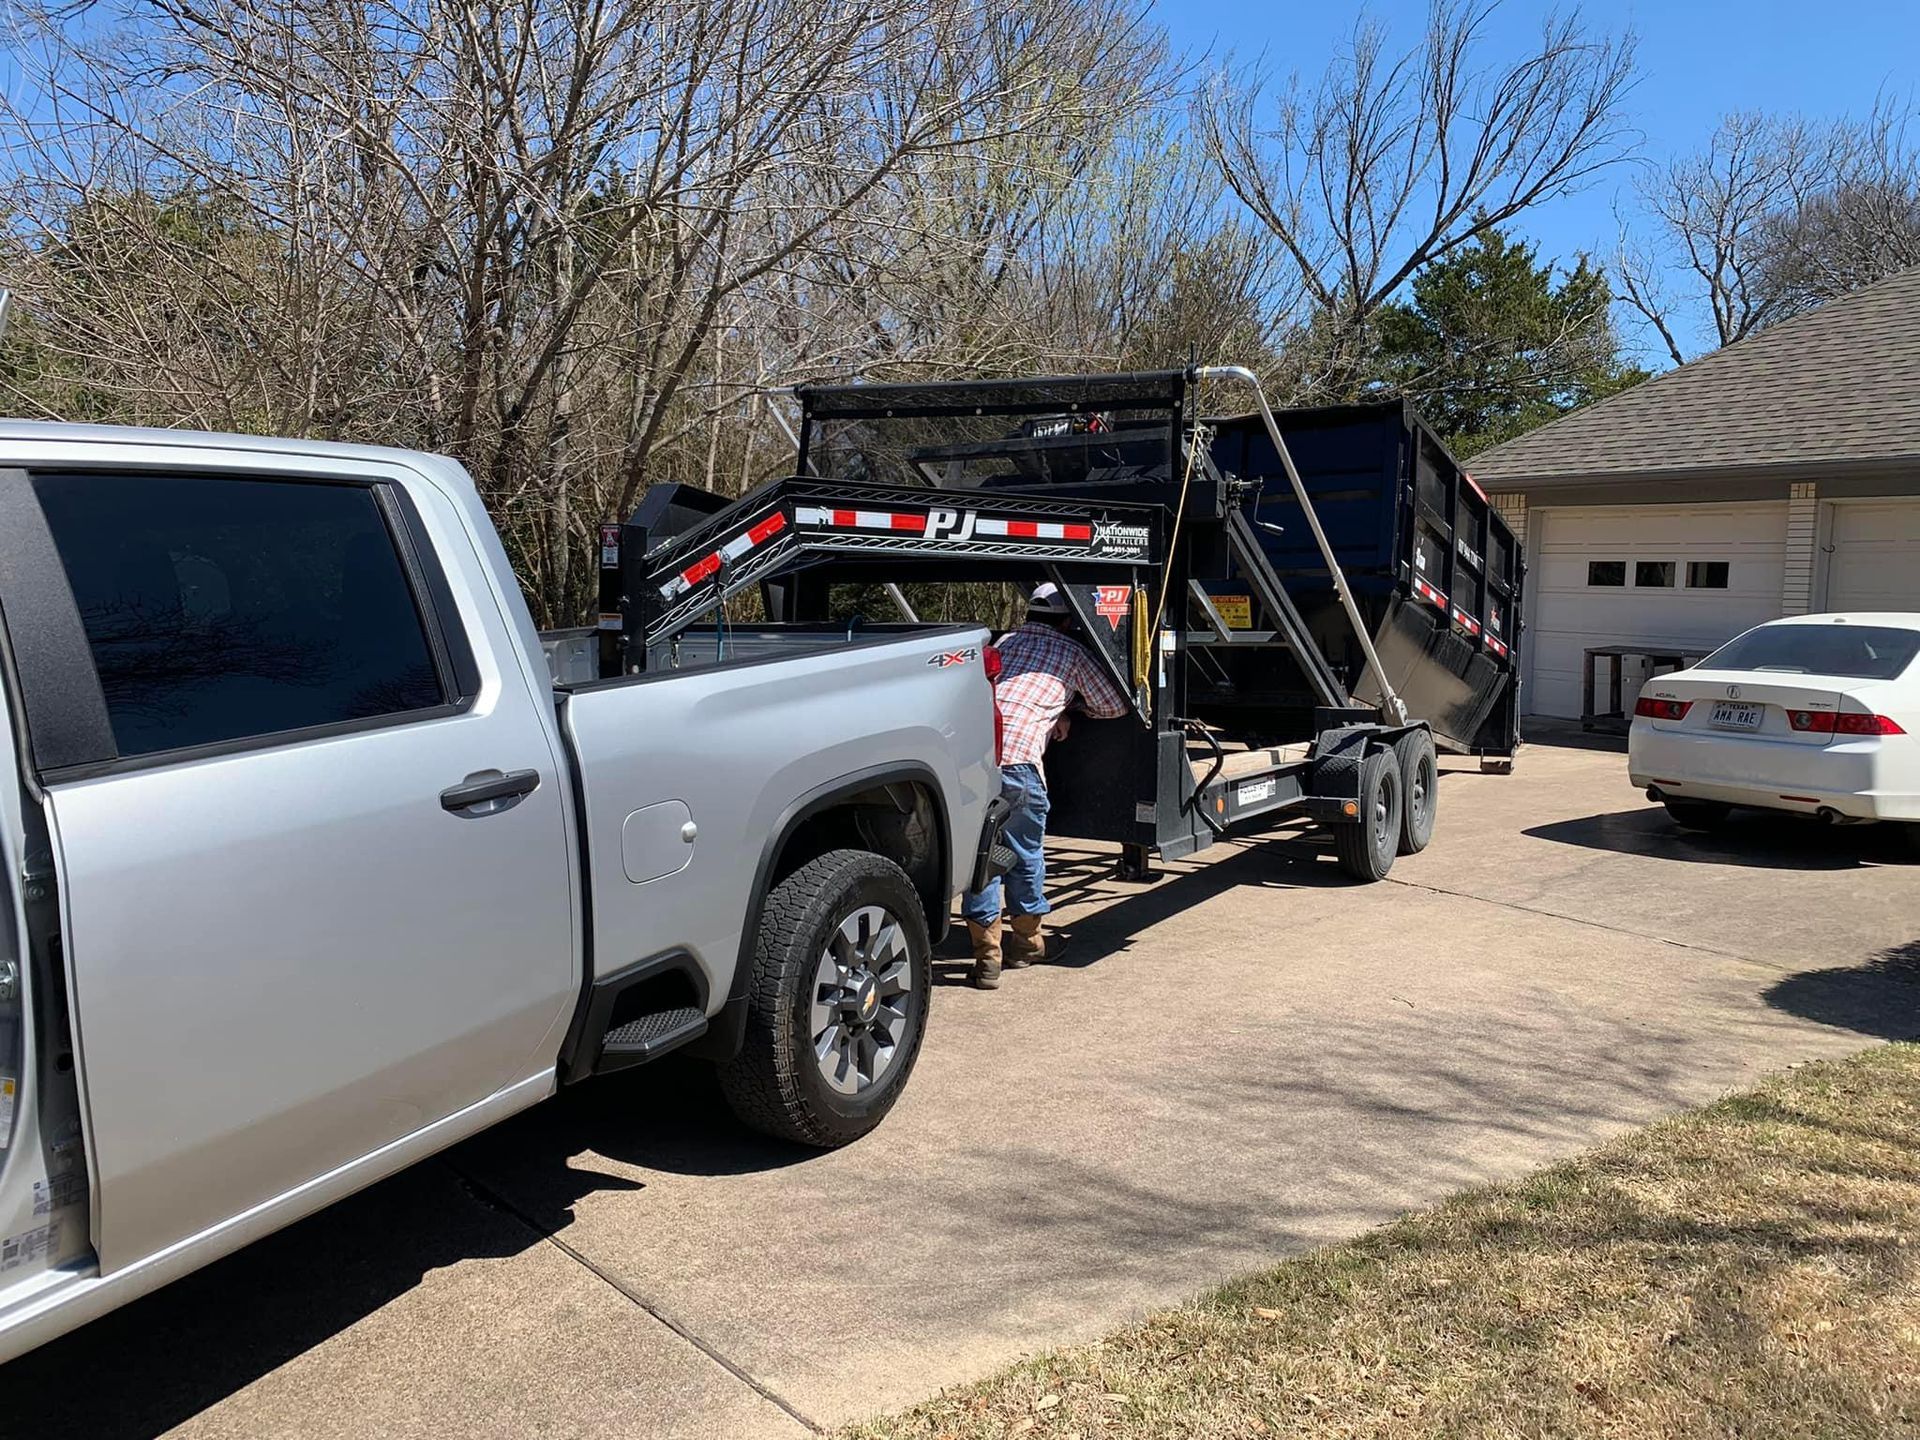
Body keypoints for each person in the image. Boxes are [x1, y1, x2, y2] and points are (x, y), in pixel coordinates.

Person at [964, 583, 1129, 989]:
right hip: (1020, 765)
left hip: (971, 761)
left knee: (980, 858)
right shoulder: (1072, 653)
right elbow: (1114, 705)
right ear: (1069, 620)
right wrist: (1065, 707)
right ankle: (1027, 944)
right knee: (1023, 854)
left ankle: (987, 957)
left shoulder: (1003, 643)